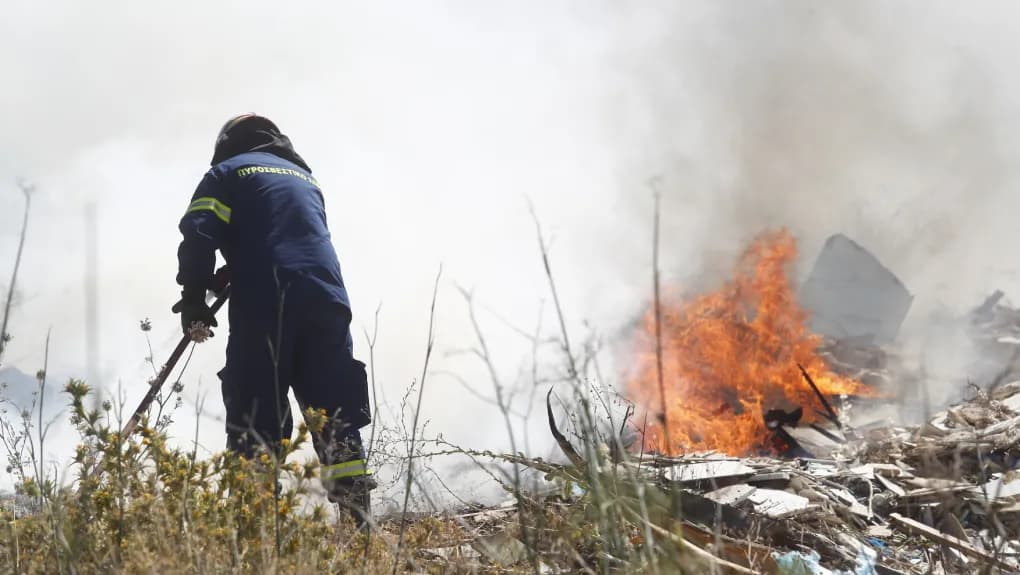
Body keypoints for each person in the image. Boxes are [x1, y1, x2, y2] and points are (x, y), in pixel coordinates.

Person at [173, 113, 374, 525]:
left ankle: (258, 531)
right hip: (328, 299)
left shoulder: (227, 172)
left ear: (227, 143)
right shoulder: (306, 180)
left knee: (255, 413)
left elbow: (198, 233)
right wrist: (240, 260)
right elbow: (286, 235)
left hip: (267, 302)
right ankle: (361, 531)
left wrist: (193, 297)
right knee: (334, 415)